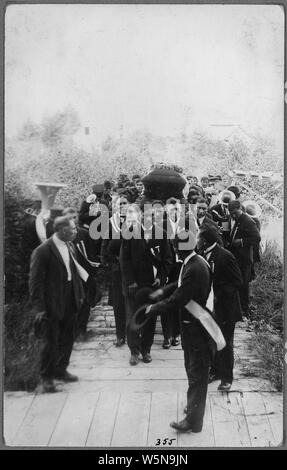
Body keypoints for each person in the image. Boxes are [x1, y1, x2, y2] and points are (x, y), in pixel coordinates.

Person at [146, 229, 212, 433]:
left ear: (178, 249)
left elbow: (179, 298)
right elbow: (181, 283)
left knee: (196, 373)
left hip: (197, 329)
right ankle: (194, 409)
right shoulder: (193, 262)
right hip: (193, 326)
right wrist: (164, 290)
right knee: (193, 371)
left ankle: (193, 421)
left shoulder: (195, 267)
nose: (173, 249)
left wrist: (154, 307)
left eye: (175, 246)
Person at [29, 216, 86, 393]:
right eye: (73, 229)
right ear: (62, 231)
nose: (76, 231)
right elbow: (35, 282)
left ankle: (61, 370)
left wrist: (80, 294)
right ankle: (46, 377)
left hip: (70, 297)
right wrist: (39, 309)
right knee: (51, 340)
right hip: (52, 301)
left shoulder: (70, 245)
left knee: (68, 337)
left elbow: (73, 271)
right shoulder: (43, 251)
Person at [120, 204, 173, 365]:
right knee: (133, 318)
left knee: (150, 317)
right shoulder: (130, 233)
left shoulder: (161, 234)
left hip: (153, 286)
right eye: (146, 216)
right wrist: (131, 281)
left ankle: (146, 350)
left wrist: (161, 278)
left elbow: (168, 259)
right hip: (135, 286)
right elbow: (125, 260)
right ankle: (134, 351)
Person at [197, 225, 243, 391]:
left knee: (225, 343)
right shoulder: (202, 255)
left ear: (205, 240)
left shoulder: (225, 256)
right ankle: (215, 371)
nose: (195, 241)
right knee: (212, 341)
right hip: (210, 308)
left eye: (198, 238)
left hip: (226, 309)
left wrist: (218, 295)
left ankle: (227, 378)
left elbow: (237, 281)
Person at [62, 207, 101, 340]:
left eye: (74, 217)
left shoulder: (84, 233)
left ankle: (81, 330)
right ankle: (71, 329)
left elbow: (91, 255)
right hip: (68, 275)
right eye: (68, 218)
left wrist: (92, 274)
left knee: (84, 302)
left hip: (83, 274)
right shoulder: (61, 235)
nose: (72, 220)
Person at [101, 193, 131, 347]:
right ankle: (120, 335)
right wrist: (111, 264)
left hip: (131, 272)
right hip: (116, 272)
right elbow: (104, 249)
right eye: (120, 204)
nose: (123, 206)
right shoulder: (110, 224)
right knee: (118, 303)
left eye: (125, 204)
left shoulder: (135, 223)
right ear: (115, 207)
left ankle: (133, 334)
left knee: (131, 303)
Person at [227, 200, 261, 318]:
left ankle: (245, 312)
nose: (233, 215)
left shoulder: (248, 221)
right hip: (237, 259)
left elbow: (257, 238)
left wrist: (241, 242)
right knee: (237, 284)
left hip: (244, 259)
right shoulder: (236, 219)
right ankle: (238, 310)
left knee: (244, 285)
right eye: (231, 213)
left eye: (235, 213)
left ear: (240, 209)